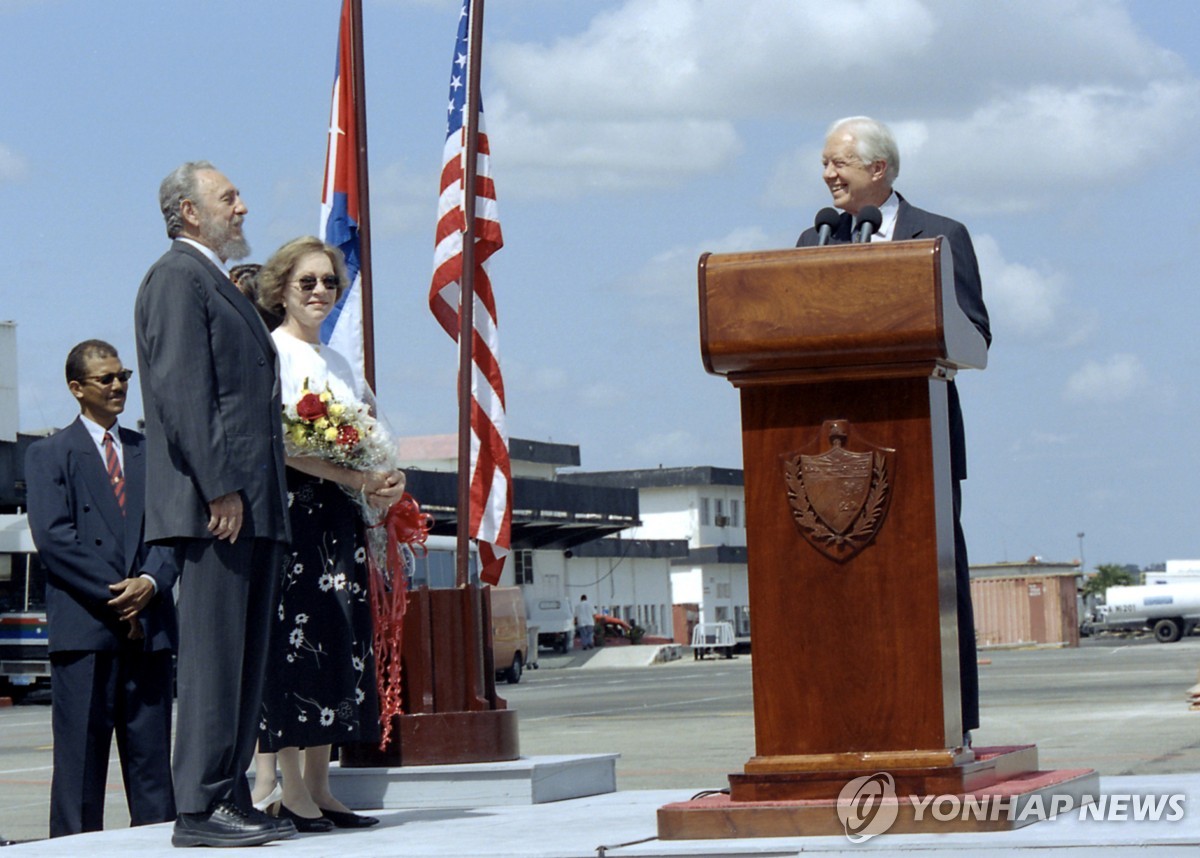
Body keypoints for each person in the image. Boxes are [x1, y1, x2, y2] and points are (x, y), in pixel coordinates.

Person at [797, 117, 992, 744]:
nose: (828, 174)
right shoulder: (814, 240)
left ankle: (952, 723)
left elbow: (977, 336)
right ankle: (848, 718)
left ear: (878, 169)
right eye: (825, 163)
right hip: (839, 444)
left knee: (933, 580)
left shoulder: (941, 234)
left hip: (923, 434)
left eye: (840, 163)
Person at [134, 161, 296, 848]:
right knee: (212, 659)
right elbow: (182, 393)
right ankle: (198, 809)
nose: (243, 206)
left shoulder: (211, 281)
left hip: (252, 506)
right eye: (229, 197)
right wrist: (219, 486)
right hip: (218, 508)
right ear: (190, 213)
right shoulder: (177, 278)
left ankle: (230, 795)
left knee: (243, 660)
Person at [250, 236, 405, 831]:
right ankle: (288, 789)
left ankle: (321, 784)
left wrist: (387, 479)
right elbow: (283, 442)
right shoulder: (273, 354)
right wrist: (353, 475)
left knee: (341, 644)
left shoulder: (340, 362)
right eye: (307, 282)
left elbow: (373, 431)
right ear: (282, 289)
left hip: (342, 518)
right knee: (298, 648)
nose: (319, 292)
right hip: (296, 516)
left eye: (329, 282)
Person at [25, 340, 179, 838]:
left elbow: (172, 530)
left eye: (123, 376)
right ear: (76, 388)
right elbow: (55, 540)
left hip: (149, 631)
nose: (118, 386)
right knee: (80, 773)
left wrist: (151, 583)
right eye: (105, 379)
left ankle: (158, 847)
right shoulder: (49, 453)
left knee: (153, 770)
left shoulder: (150, 453)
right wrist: (122, 594)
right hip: (85, 632)